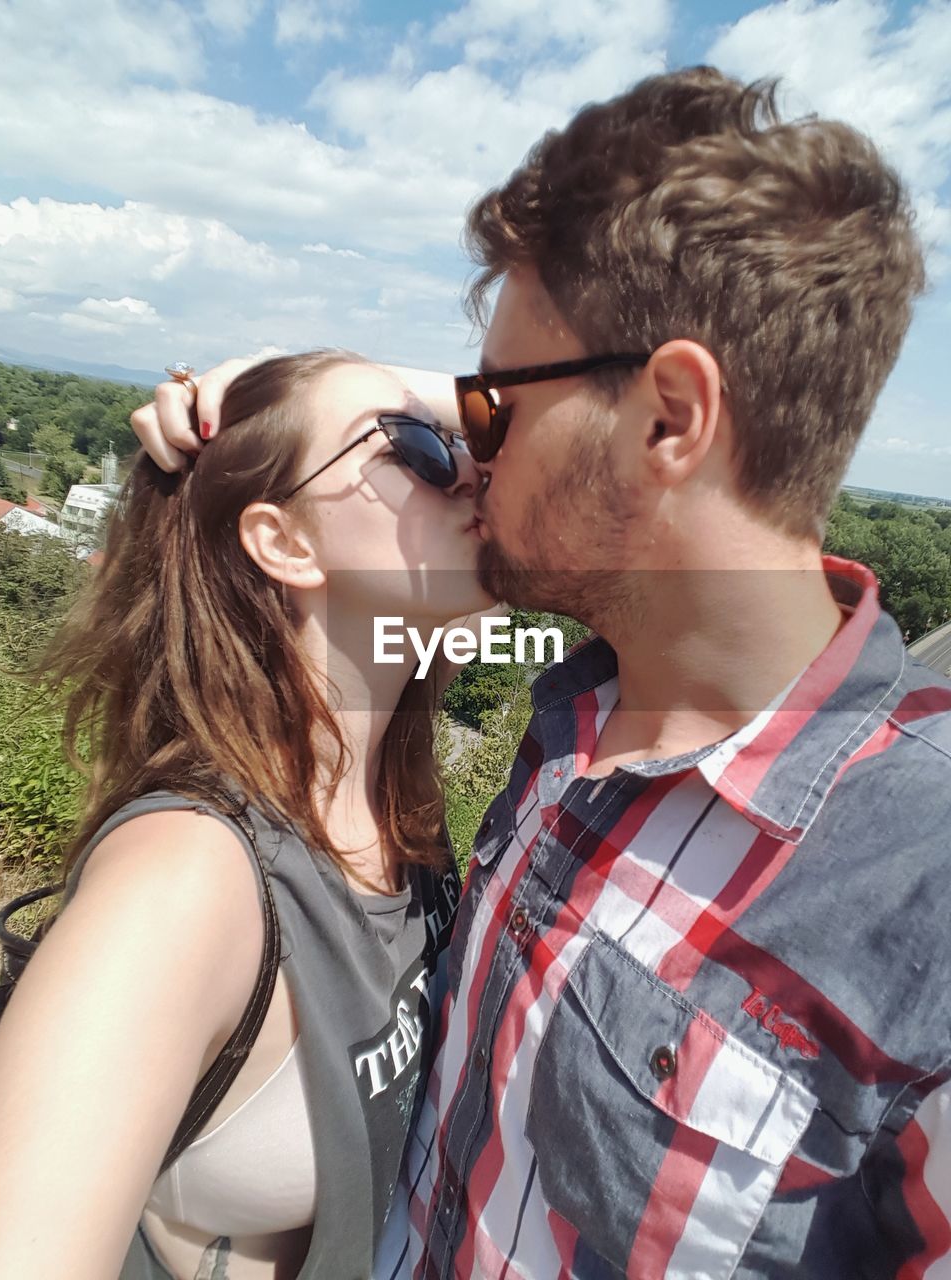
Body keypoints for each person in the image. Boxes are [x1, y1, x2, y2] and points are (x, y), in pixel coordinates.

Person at [132, 67, 951, 1279]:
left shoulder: (918, 886)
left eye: (489, 406)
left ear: (672, 420)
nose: (469, 449)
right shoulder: (583, 709)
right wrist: (287, 411)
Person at [0, 350, 491, 1280]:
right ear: (285, 542)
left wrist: (400, 391)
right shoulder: (184, 881)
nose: (473, 468)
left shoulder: (395, 822)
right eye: (418, 448)